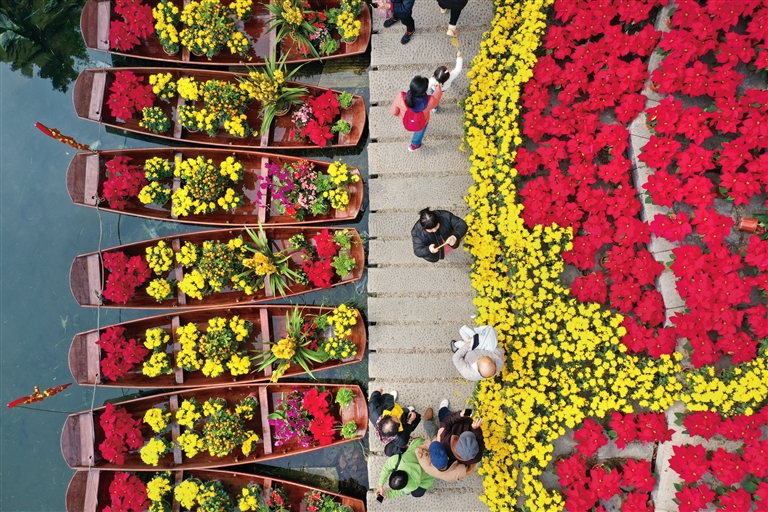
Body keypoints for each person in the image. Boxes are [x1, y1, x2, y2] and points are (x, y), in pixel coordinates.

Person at [415, 407, 477, 481]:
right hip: (457, 450)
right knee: (447, 421)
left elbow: (419, 450)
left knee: (434, 430)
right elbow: (470, 467)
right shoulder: (459, 472)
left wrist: (436, 440)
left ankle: (427, 421)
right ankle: (440, 413)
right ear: (447, 457)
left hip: (437, 439)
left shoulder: (425, 463)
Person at [390, 77, 442, 152]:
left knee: (414, 125)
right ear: (424, 92)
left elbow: (393, 111)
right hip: (422, 121)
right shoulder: (429, 101)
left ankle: (414, 141)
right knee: (420, 130)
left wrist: (398, 114)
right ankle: (414, 144)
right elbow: (436, 98)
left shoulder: (401, 96)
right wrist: (438, 89)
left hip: (405, 120)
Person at [368, 389, 421, 456]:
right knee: (404, 414)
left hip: (388, 406)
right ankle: (406, 410)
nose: (397, 417)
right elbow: (407, 431)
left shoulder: (374, 413)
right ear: (397, 429)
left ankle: (393, 400)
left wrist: (377, 392)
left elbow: (372, 401)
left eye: (393, 417)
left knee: (393, 406)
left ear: (386, 417)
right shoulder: (401, 440)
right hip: (403, 416)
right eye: (398, 420)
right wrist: (410, 421)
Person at [436, 399, 484, 467]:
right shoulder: (477, 457)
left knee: (445, 415)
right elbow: (480, 440)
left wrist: (459, 415)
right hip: (467, 423)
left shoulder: (446, 440)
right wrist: (475, 429)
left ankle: (442, 409)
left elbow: (445, 423)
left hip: (455, 426)